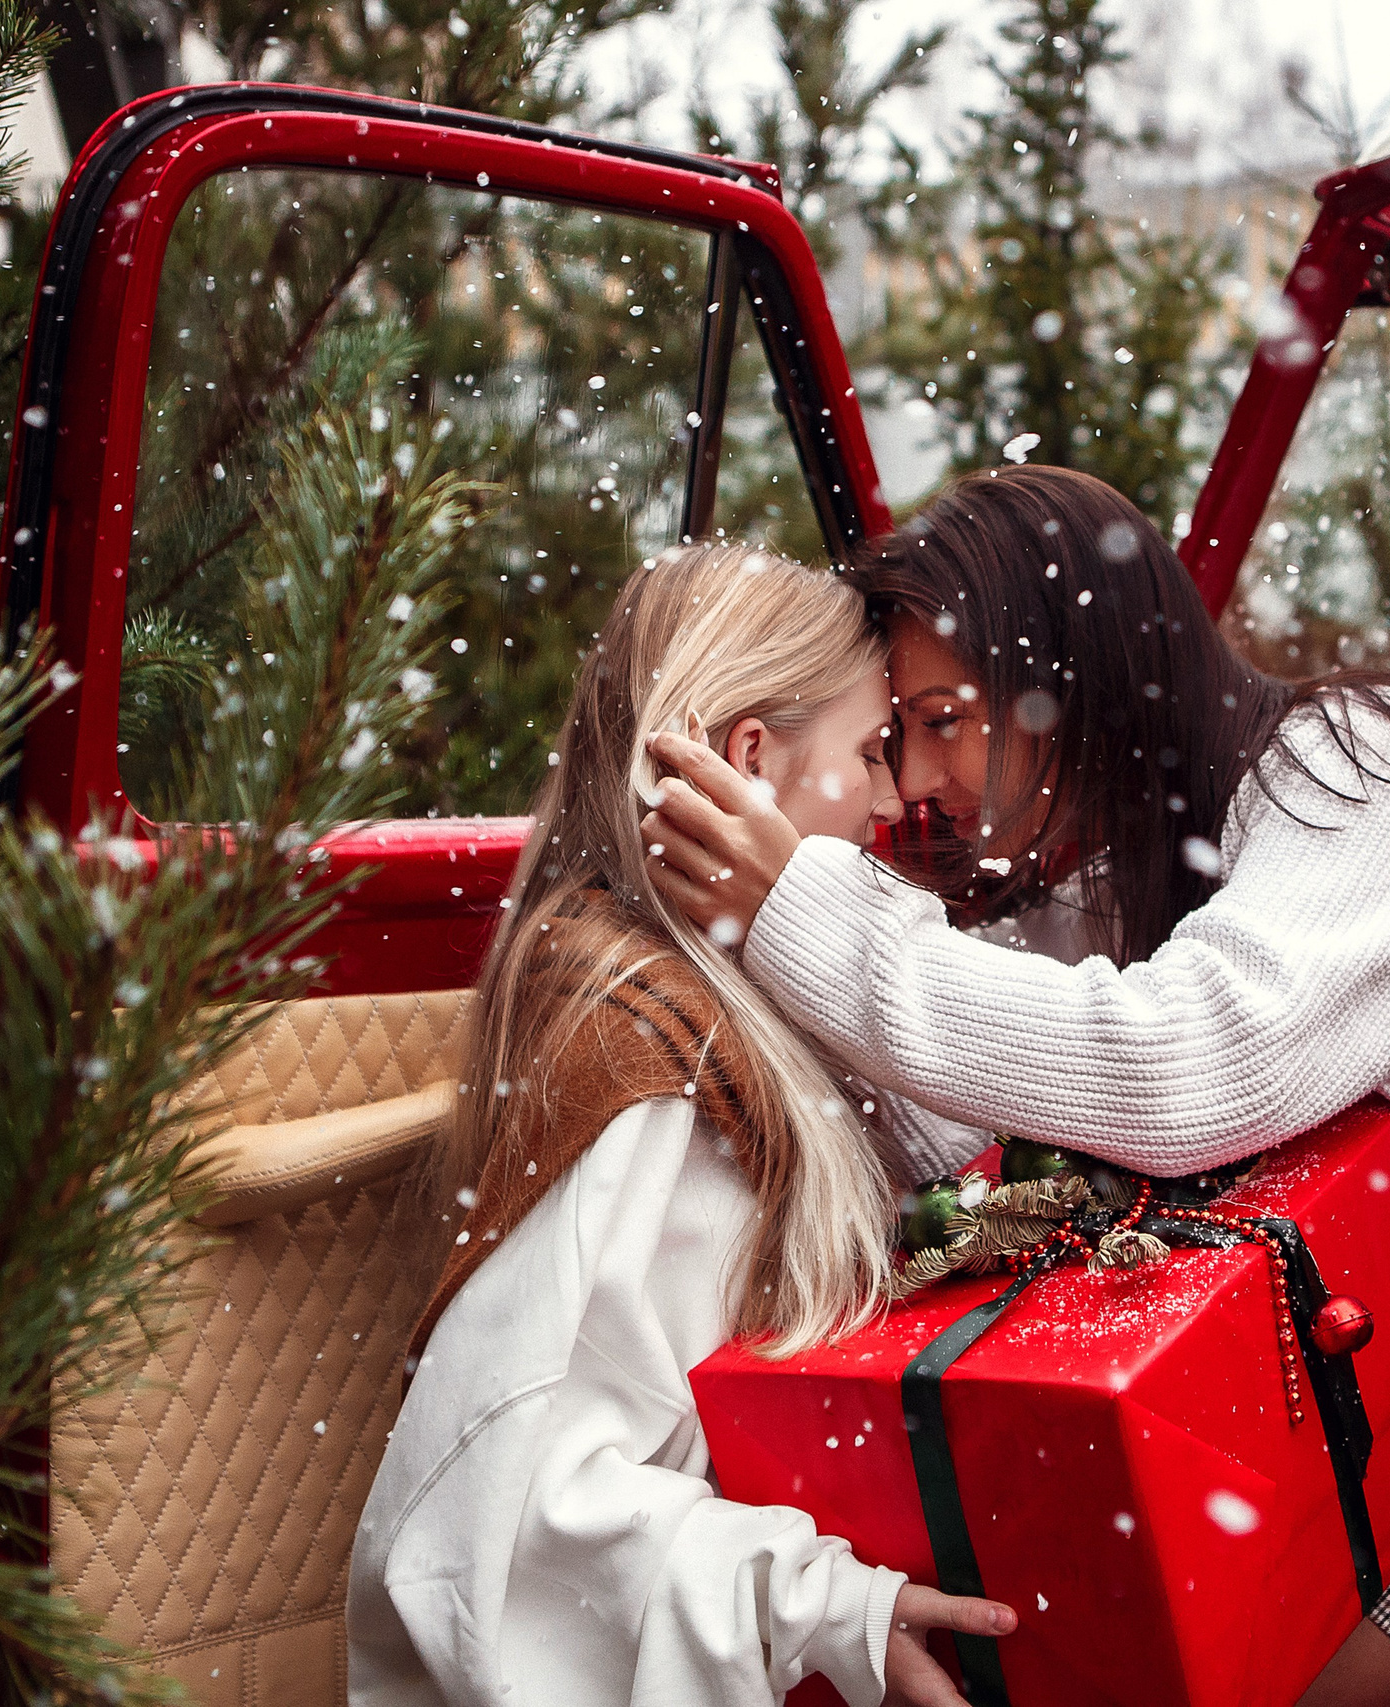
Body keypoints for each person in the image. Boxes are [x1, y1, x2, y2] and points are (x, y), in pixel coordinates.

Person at [639, 468, 1390, 1707]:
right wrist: (738, 942)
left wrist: (804, 905)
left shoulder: (1375, 764)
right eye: (895, 732)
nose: (912, 780)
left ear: (1074, 673)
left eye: (946, 718)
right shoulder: (1106, 867)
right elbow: (976, 1143)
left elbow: (1191, 1067)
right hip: (1322, 1401)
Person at [348, 542, 1014, 1707]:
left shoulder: (696, 998)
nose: (897, 796)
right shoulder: (650, 1054)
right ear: (746, 761)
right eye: (868, 752)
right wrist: (825, 1607)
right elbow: (508, 1529)